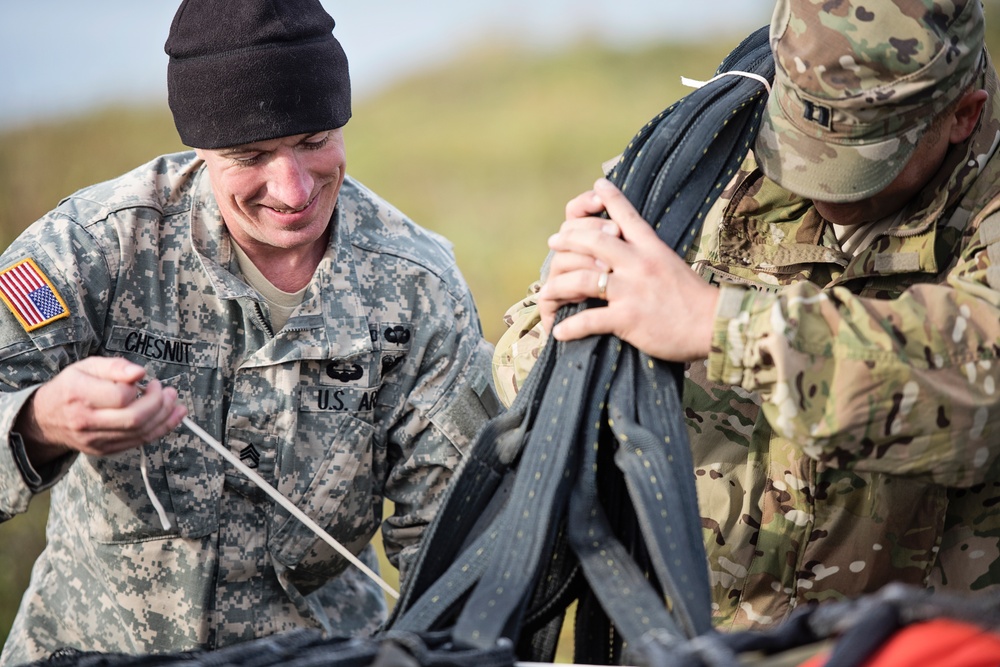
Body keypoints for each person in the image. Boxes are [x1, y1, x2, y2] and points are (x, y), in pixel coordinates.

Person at [0, 0, 498, 663]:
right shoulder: (91, 251)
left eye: (315, 141)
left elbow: (454, 557)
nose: (292, 190)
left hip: (324, 653)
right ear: (201, 148)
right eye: (251, 155)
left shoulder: (418, 288)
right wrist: (40, 422)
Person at [494, 0, 1000, 631]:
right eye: (801, 139)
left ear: (963, 114)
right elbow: (521, 373)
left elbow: (978, 389)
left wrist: (715, 324)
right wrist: (569, 333)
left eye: (859, 158)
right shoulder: (706, 156)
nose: (819, 184)